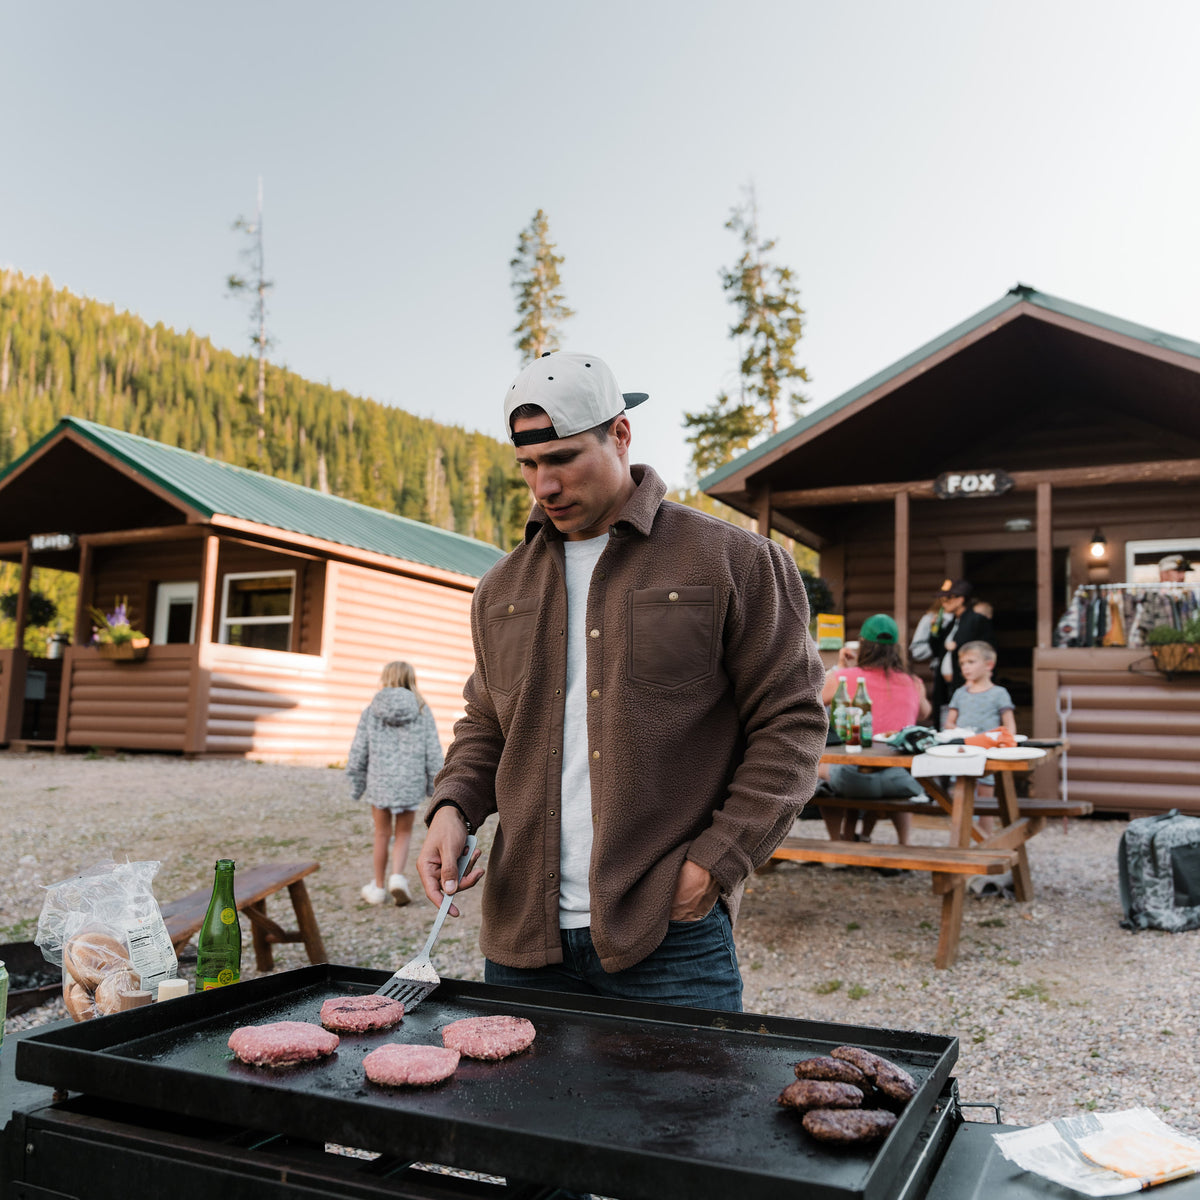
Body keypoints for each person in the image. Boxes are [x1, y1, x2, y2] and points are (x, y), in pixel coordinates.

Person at [416, 351, 827, 1013]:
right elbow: (486, 725)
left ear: (621, 435)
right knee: (522, 1119)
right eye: (528, 465)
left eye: (563, 458)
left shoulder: (735, 561)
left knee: (684, 1119)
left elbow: (792, 725)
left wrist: (715, 863)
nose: (543, 486)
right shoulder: (500, 588)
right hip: (524, 944)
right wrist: (451, 808)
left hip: (668, 936)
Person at [818, 613, 932, 846]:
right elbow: (925, 713)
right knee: (893, 762)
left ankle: (836, 844)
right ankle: (904, 843)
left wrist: (841, 668)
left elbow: (815, 701)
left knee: (818, 768)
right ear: (896, 648)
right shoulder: (914, 682)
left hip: (851, 781)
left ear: (862, 644)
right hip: (902, 782)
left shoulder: (842, 677)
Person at [347, 660, 444, 907]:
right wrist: (436, 788)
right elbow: (433, 751)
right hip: (409, 783)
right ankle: (398, 879)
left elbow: (359, 750)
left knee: (381, 833)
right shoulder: (422, 710)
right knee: (403, 833)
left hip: (380, 783)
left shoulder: (371, 710)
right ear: (411, 679)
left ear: (386, 678)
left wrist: (356, 784)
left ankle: (378, 887)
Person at [944, 641, 1016, 736]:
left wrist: (1007, 743)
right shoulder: (960, 693)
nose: (965, 667)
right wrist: (963, 733)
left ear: (988, 665)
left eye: (971, 662)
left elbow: (1010, 726)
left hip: (990, 747)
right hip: (964, 745)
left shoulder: (999, 693)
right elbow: (949, 723)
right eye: (962, 663)